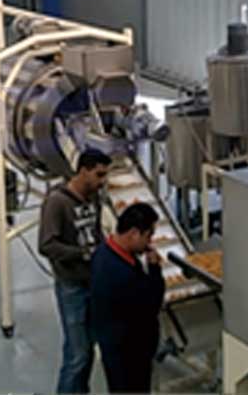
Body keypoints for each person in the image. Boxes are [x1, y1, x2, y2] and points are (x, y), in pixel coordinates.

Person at [39, 149, 112, 394]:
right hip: (72, 287)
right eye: (99, 175)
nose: (102, 181)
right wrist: (82, 253)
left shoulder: (94, 198)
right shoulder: (57, 202)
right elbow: (47, 245)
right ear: (83, 171)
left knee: (87, 351)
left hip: (93, 282)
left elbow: (96, 232)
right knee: (77, 355)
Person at [90, 202, 165, 394]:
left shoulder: (103, 253)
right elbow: (152, 305)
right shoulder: (121, 273)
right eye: (148, 236)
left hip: (114, 346)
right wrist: (155, 270)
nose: (149, 243)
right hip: (130, 352)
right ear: (133, 233)